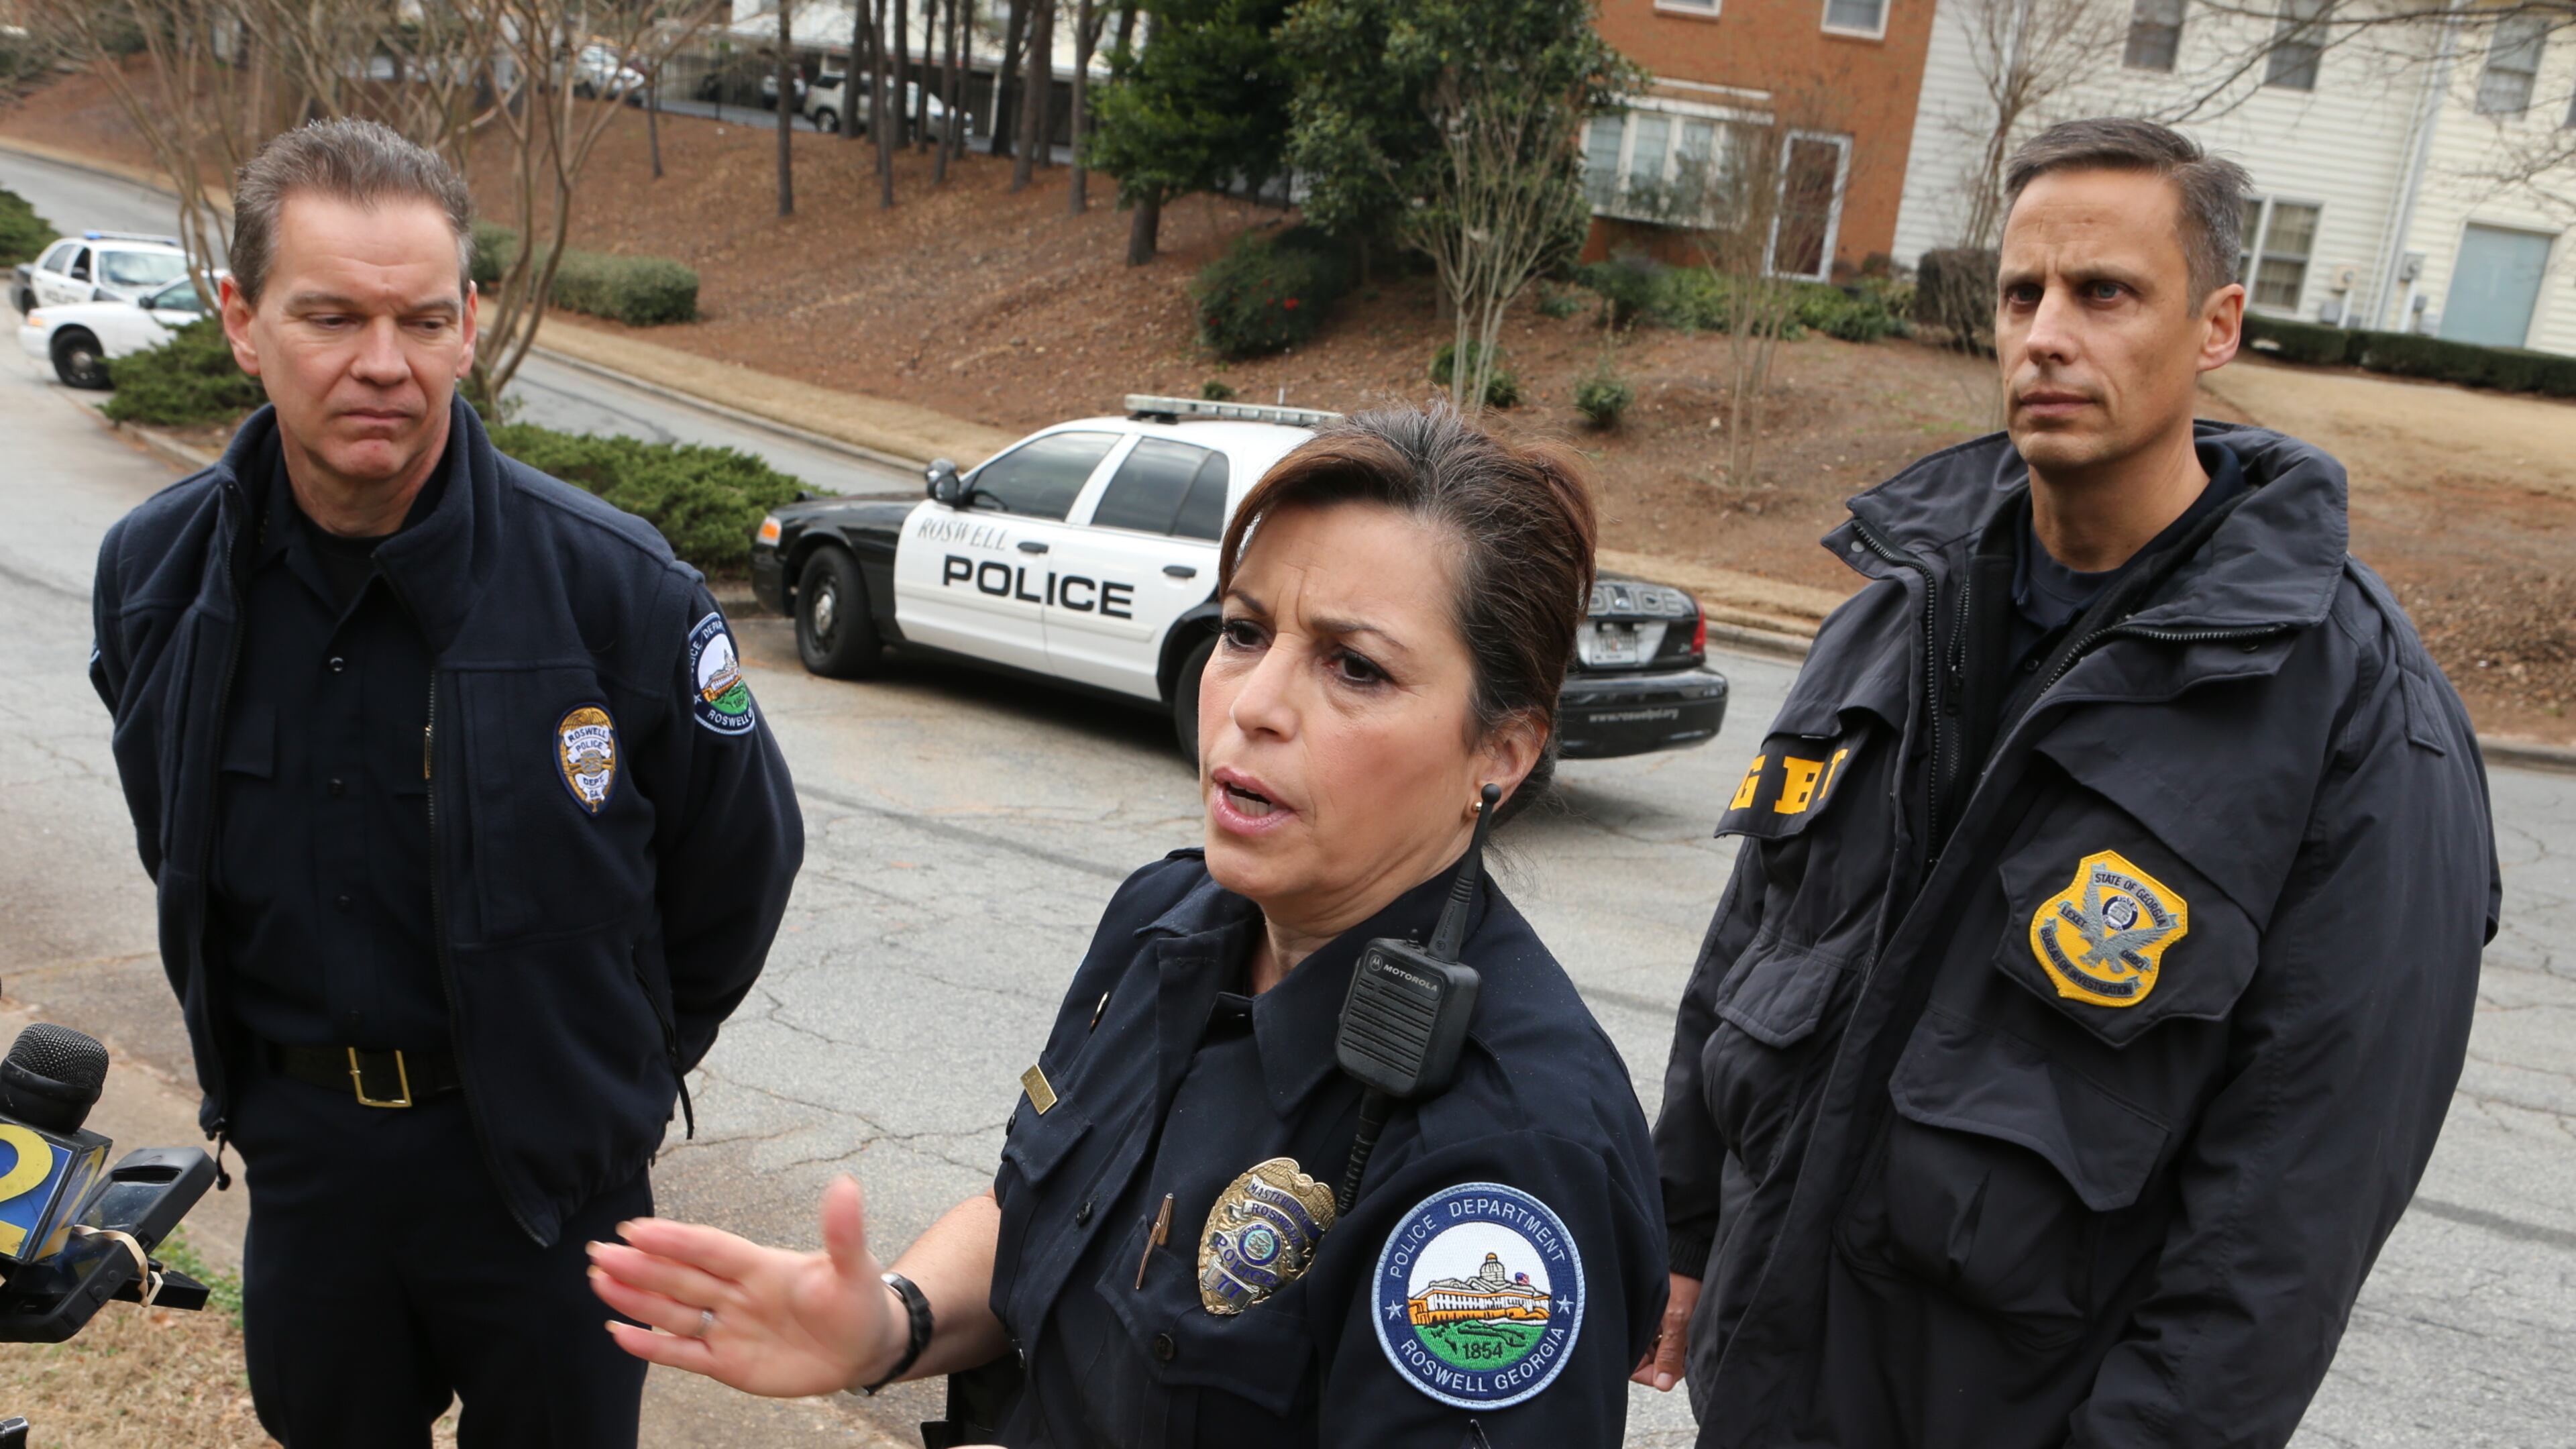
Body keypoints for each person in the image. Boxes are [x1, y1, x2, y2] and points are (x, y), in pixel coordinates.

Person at [1638, 117, 2500, 1448]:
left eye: (2105, 294)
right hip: (1767, 1396)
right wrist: (1681, 1222)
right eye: (2020, 294)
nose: (2046, 334)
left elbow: (2294, 1207)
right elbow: (1751, 942)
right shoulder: (1894, 614)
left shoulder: (2353, 709)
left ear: (2216, 327)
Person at [587, 407, 1668, 1444]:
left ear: (1503, 753)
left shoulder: (1514, 1159)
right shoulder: (1170, 918)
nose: (1253, 702)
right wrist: (893, 1319)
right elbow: (1049, 1212)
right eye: (1244, 632)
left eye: (1356, 667)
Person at [87, 119, 803, 1446]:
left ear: (470, 323)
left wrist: (613, 1075)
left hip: (549, 1181)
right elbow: (171, 831)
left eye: (421, 320)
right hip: (310, 1178)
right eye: (331, 317)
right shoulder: (157, 575)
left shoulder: (620, 591)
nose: (382, 365)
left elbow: (740, 863)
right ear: (243, 321)